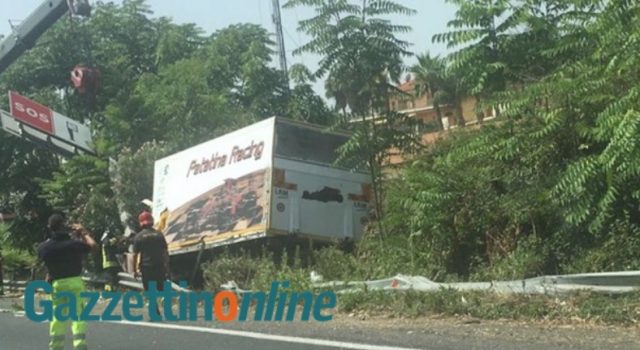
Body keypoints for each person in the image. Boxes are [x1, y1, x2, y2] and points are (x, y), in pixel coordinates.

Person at [37, 214, 97, 350]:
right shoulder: (74, 244)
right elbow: (93, 246)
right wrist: (83, 232)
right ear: (64, 226)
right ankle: (79, 344)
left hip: (57, 284)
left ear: (49, 227)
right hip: (75, 282)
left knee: (57, 317)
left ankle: (56, 346)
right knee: (78, 314)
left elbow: (46, 261)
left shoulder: (44, 247)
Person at [133, 211, 170, 292]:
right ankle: (165, 303)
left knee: (150, 291)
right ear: (152, 221)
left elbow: (135, 255)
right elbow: (165, 252)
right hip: (159, 267)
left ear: (141, 223)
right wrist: (167, 267)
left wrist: (134, 271)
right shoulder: (159, 234)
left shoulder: (138, 237)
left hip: (146, 268)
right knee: (162, 289)